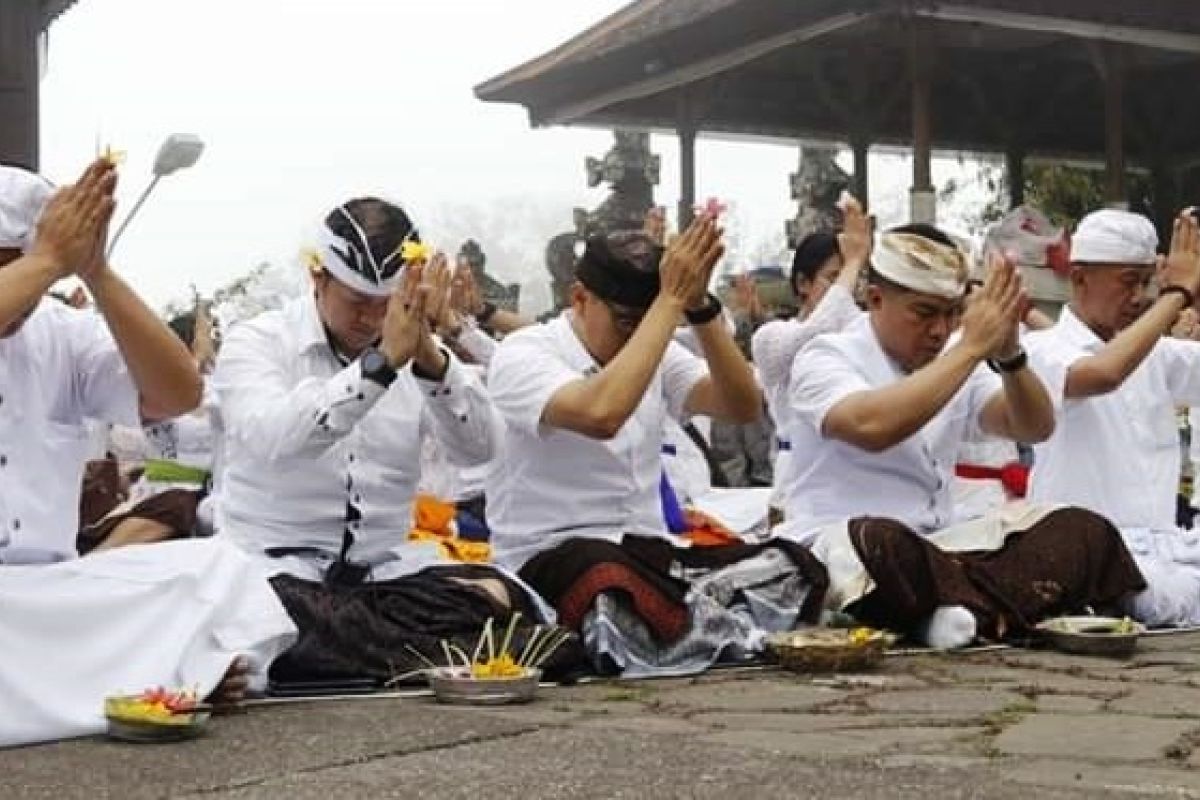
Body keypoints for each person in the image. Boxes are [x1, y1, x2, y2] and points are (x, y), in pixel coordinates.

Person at [0, 160, 294, 747]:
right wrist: (46, 260)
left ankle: (148, 672)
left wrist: (97, 271)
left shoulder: (61, 330)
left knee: (213, 567)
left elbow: (178, 392)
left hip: (51, 596)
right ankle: (158, 673)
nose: (33, 290)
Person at [212, 197, 550, 684]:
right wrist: (379, 367)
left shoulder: (413, 345)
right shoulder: (257, 342)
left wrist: (433, 362)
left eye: (384, 303)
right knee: (273, 618)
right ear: (318, 278)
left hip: (387, 577)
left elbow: (479, 449)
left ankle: (369, 658)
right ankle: (415, 657)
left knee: (502, 599)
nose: (372, 321)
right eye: (357, 303)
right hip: (278, 571)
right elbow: (275, 442)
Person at [486, 217, 828, 677]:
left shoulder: (658, 349)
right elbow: (601, 414)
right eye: (628, 321)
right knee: (603, 579)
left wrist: (701, 308)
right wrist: (666, 305)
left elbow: (742, 404)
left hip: (649, 553)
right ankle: (701, 624)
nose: (639, 335)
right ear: (580, 299)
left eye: (648, 322)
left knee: (794, 563)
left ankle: (683, 626)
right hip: (553, 556)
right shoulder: (525, 353)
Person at [779, 223, 1144, 648]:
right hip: (847, 544)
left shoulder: (952, 359)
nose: (939, 330)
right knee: (876, 541)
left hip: (940, 548)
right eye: (924, 313)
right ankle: (984, 609)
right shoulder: (826, 355)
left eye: (952, 314)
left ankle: (951, 609)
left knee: (1082, 530)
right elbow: (872, 427)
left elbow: (1034, 426)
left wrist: (1010, 355)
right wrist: (970, 347)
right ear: (875, 300)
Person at [1025, 208, 1200, 626]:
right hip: (1084, 557)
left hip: (1164, 553)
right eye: (1128, 282)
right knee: (1144, 595)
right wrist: (1177, 294)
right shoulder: (1041, 349)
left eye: (1146, 282)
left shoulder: (1157, 354)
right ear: (1080, 277)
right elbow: (1102, 374)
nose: (1139, 296)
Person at [752, 194, 870, 517]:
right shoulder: (771, 337)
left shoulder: (861, 331)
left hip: (856, 484)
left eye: (852, 278)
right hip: (795, 485)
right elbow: (813, 335)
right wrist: (855, 260)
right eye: (834, 277)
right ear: (802, 282)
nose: (849, 288)